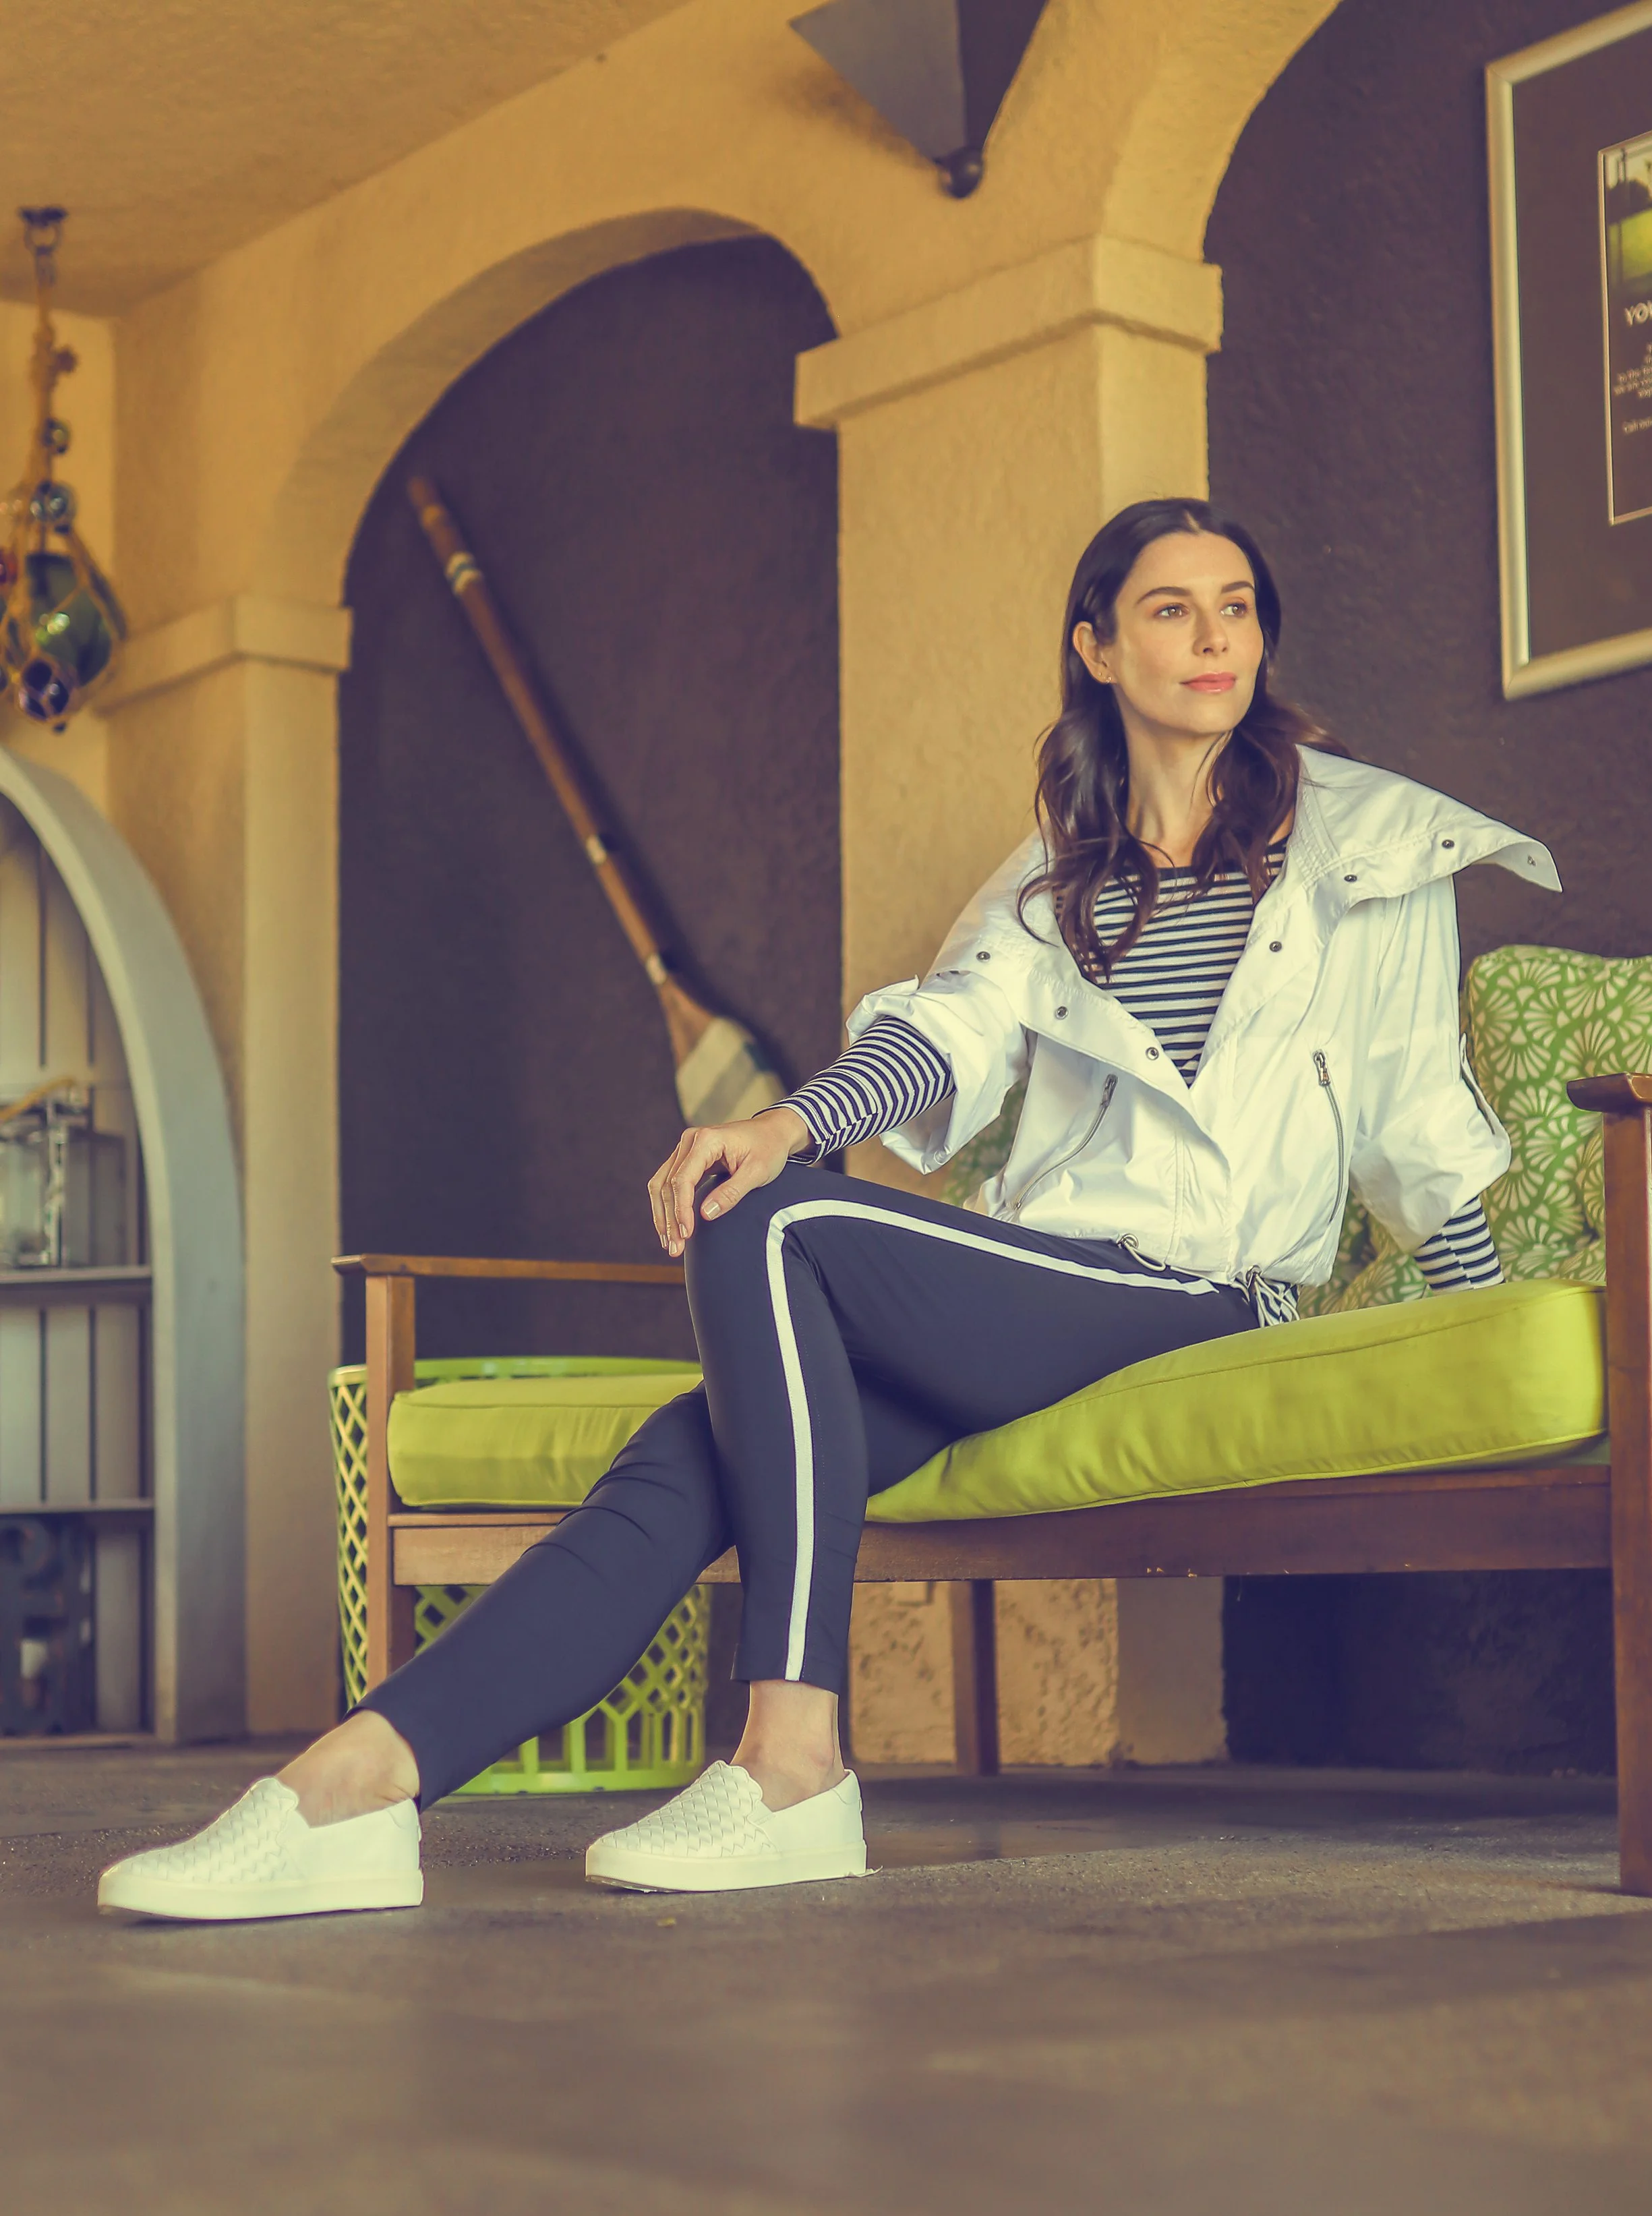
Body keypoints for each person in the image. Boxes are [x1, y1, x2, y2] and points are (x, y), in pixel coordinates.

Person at [96, 496, 1559, 1923]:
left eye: (1234, 608)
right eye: (1168, 609)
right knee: (680, 1468)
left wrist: (1491, 1368)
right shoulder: (1051, 885)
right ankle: (358, 1781)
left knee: (768, 1221)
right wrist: (794, 1116)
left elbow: (1418, 1122)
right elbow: (942, 1037)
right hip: (1050, 1278)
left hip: (1209, 1290)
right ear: (1095, 648)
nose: (1212, 638)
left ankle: (791, 1756)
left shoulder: (1366, 846)